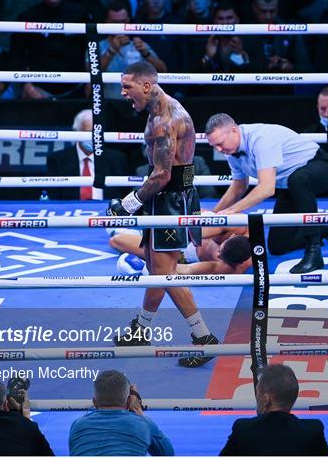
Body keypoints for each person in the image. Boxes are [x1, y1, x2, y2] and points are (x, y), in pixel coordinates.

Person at [106, 61, 219, 368]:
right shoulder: (165, 110)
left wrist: (126, 205)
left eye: (127, 86)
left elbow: (162, 175)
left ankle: (203, 338)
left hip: (169, 198)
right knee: (157, 266)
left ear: (146, 85)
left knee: (164, 272)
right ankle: (140, 330)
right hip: (171, 197)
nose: (123, 93)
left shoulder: (164, 120)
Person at [205, 113, 328, 274]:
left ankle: (314, 252)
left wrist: (232, 210)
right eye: (214, 146)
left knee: (298, 180)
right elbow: (239, 187)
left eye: (220, 143)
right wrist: (214, 214)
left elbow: (267, 188)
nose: (219, 150)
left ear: (233, 131)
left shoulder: (261, 139)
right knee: (277, 246)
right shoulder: (231, 152)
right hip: (291, 185)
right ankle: (326, 228)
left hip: (321, 167)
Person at [220, 364, 328, 455]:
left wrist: (260, 415)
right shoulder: (312, 430)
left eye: (258, 393)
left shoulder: (243, 429)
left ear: (266, 398)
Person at [68, 370, 174, 456]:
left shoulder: (77, 425)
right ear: (129, 401)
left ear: (94, 402)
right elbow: (168, 454)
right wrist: (139, 413)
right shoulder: (144, 424)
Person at [9, 0, 88, 99]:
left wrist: (90, 81)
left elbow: (91, 48)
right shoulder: (27, 17)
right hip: (39, 90)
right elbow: (16, 55)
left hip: (76, 88)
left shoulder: (81, 13)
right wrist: (27, 86)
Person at [45, 109, 128, 200]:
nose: (94, 137)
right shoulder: (58, 160)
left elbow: (124, 193)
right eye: (89, 132)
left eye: (97, 133)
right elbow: (53, 196)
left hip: (107, 210)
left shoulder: (117, 159)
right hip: (71, 211)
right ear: (77, 132)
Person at [110, 224, 252, 275]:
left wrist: (149, 268)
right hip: (183, 234)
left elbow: (188, 270)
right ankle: (143, 233)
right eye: (220, 249)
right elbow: (196, 231)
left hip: (180, 252)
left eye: (219, 255)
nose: (218, 253)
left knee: (116, 240)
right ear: (232, 236)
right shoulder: (237, 227)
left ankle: (142, 236)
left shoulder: (230, 268)